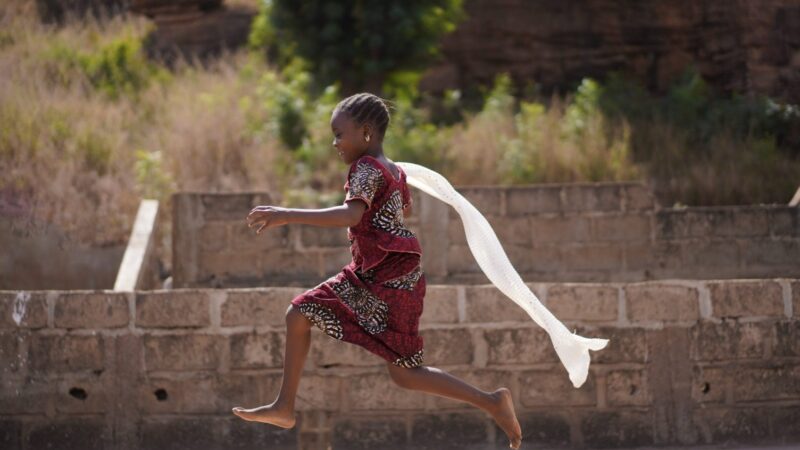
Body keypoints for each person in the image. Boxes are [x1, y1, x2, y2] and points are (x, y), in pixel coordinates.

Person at [232, 92, 522, 449]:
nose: (334, 142)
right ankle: (492, 402)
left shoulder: (366, 168)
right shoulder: (395, 171)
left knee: (301, 314)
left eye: (339, 134)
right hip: (394, 278)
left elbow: (352, 215)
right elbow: (395, 217)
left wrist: (286, 214)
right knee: (404, 373)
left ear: (366, 133)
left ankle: (284, 406)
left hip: (385, 280)